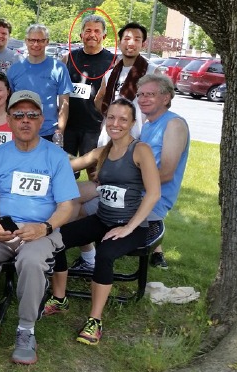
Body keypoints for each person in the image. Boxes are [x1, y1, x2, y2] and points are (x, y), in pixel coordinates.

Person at [0, 90, 79, 365]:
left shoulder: (57, 157)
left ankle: (26, 329)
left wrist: (45, 227)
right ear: (10, 121)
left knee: (30, 260)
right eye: (18, 115)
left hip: (41, 231)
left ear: (41, 120)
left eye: (32, 115)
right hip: (2, 229)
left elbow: (67, 207)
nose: (25, 120)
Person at [43, 98, 160, 345]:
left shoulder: (141, 151)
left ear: (132, 123)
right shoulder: (103, 151)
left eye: (123, 119)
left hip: (133, 226)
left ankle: (94, 321)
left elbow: (154, 193)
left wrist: (127, 227)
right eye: (111, 118)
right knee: (56, 238)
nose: (115, 123)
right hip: (103, 219)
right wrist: (38, 155)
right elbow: (71, 163)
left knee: (105, 254)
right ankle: (60, 298)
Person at [68, 22, 157, 275]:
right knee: (89, 191)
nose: (131, 43)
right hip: (106, 145)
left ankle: (122, 242)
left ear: (143, 43)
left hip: (133, 149)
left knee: (116, 197)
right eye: (126, 38)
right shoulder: (112, 72)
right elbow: (100, 100)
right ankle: (88, 254)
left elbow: (159, 108)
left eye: (136, 39)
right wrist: (111, 120)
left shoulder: (151, 71)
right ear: (119, 42)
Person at [136, 74, 190, 269]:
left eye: (149, 94)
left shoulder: (174, 124)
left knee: (78, 204)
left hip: (150, 202)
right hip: (135, 195)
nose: (142, 99)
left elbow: (166, 174)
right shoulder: (148, 125)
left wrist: (124, 183)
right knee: (74, 196)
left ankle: (88, 259)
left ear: (166, 98)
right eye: (140, 94)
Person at [62, 15, 115, 168]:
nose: (92, 34)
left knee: (95, 171)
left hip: (95, 127)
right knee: (65, 170)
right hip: (69, 126)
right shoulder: (68, 59)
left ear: (104, 36)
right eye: (88, 30)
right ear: (81, 35)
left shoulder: (113, 61)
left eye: (97, 31)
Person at [7, 24, 72, 143]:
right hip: (21, 130)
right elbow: (9, 103)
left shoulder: (59, 68)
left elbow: (64, 103)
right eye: (32, 40)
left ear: (47, 42)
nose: (36, 44)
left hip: (49, 132)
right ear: (26, 41)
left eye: (40, 40)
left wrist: (60, 130)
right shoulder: (14, 69)